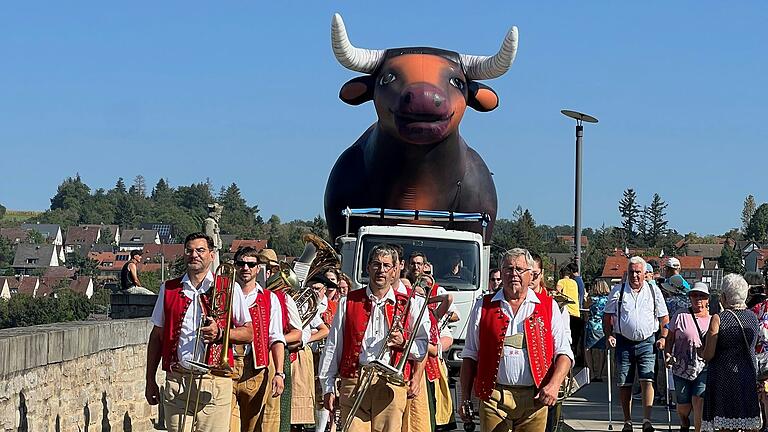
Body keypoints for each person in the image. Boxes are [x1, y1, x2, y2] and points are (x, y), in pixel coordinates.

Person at [145, 233, 254, 432]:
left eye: (200, 250)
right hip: (178, 381)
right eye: (190, 250)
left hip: (215, 381)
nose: (194, 255)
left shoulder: (229, 287)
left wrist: (221, 333)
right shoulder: (168, 289)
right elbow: (157, 337)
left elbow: (249, 333)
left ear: (212, 255)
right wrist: (149, 380)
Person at [318, 244, 430, 432]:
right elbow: (333, 346)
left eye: (387, 266)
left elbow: (423, 347)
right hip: (354, 380)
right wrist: (328, 386)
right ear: (368, 267)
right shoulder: (348, 302)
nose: (381, 270)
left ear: (395, 270)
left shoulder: (411, 303)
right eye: (376, 264)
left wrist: (403, 343)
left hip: (390, 383)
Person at [459, 248, 573, 432]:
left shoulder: (549, 306)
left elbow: (564, 353)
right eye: (508, 269)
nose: (514, 274)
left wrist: (554, 385)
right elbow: (470, 355)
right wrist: (465, 398)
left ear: (531, 275)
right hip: (492, 398)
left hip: (535, 401)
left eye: (519, 270)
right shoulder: (483, 305)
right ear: (501, 272)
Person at [604, 256, 670, 432]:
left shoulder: (654, 291)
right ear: (628, 273)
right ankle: (627, 421)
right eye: (632, 272)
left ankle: (647, 420)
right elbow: (607, 315)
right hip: (624, 342)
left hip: (648, 342)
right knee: (624, 383)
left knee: (647, 380)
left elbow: (664, 317)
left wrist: (663, 337)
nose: (635, 276)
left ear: (644, 273)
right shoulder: (618, 291)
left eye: (638, 272)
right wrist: (608, 335)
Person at [230, 247, 287, 432]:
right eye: (241, 263)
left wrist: (279, 373)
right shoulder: (224, 294)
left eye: (251, 264)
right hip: (226, 366)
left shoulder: (270, 299)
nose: (245, 268)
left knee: (252, 427)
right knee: (226, 426)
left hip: (255, 368)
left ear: (257, 269)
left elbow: (276, 338)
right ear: (235, 266)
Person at [700, 274, 762, 432]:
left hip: (723, 378)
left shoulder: (718, 318)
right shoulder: (753, 318)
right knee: (747, 423)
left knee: (724, 425)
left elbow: (708, 354)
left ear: (724, 297)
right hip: (747, 376)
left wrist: (699, 350)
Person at [664, 282, 711, 432]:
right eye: (694, 295)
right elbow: (670, 338)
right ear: (690, 297)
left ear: (707, 299)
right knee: (684, 406)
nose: (698, 298)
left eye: (702, 296)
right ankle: (684, 423)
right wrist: (667, 353)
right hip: (682, 367)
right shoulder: (681, 315)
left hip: (704, 367)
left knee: (699, 401)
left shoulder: (713, 319)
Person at [291, 274, 331, 431]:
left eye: (317, 289)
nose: (313, 292)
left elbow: (325, 330)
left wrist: (305, 339)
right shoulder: (299, 302)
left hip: (302, 353)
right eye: (310, 288)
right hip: (288, 351)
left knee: (302, 400)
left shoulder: (310, 307)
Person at [584, 280, 611, 382]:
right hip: (603, 326)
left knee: (588, 349)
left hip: (592, 325)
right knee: (602, 350)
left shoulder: (591, 299)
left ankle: (591, 372)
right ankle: (599, 373)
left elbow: (585, 309)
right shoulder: (608, 300)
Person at [557, 264, 583, 366]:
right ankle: (574, 358)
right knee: (575, 340)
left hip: (567, 314)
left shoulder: (561, 281)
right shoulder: (574, 283)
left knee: (566, 340)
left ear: (561, 274)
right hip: (576, 312)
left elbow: (557, 292)